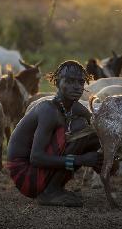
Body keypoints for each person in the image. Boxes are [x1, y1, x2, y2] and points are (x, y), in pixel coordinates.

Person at [7, 60, 103, 207]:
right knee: (80, 129)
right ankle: (49, 193)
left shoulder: (74, 107)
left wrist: (105, 153)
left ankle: (55, 188)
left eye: (80, 82)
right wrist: (82, 159)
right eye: (70, 81)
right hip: (26, 176)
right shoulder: (48, 111)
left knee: (92, 133)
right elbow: (36, 158)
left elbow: (99, 127)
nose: (77, 87)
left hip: (37, 171)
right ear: (57, 83)